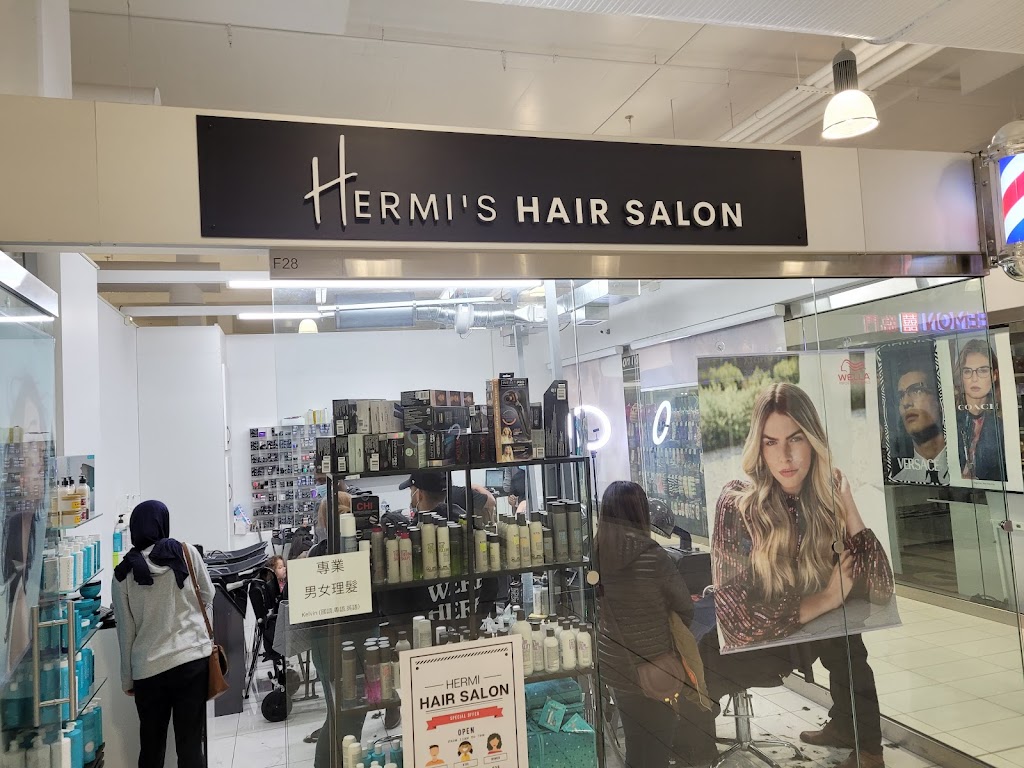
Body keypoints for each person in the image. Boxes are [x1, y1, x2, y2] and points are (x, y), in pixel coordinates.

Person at [712, 382, 892, 768]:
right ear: (759, 448)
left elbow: (881, 588)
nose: (786, 456)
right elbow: (738, 623)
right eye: (771, 442)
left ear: (813, 441)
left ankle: (867, 749)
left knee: (849, 646)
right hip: (769, 637)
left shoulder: (826, 500)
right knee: (702, 660)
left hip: (809, 627)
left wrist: (848, 504)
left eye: (796, 439)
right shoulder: (739, 502)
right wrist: (826, 598)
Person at [597, 481, 696, 768]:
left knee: (636, 742)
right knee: (657, 747)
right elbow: (685, 608)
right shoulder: (654, 556)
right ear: (640, 512)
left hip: (616, 663)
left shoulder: (596, 552)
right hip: (654, 662)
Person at [111, 500, 214, 768]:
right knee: (191, 746)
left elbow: (126, 632)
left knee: (151, 748)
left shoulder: (122, 574)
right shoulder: (186, 553)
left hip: (148, 671)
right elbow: (208, 594)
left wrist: (127, 678)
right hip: (191, 661)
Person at [955, 339, 1006, 482]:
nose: (974, 378)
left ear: (994, 375)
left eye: (983, 370)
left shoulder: (1001, 426)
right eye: (967, 371)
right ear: (961, 377)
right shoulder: (950, 422)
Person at [891, 358, 948, 485]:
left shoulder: (965, 471)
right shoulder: (901, 481)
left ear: (939, 400)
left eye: (917, 390)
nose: (906, 403)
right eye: (901, 396)